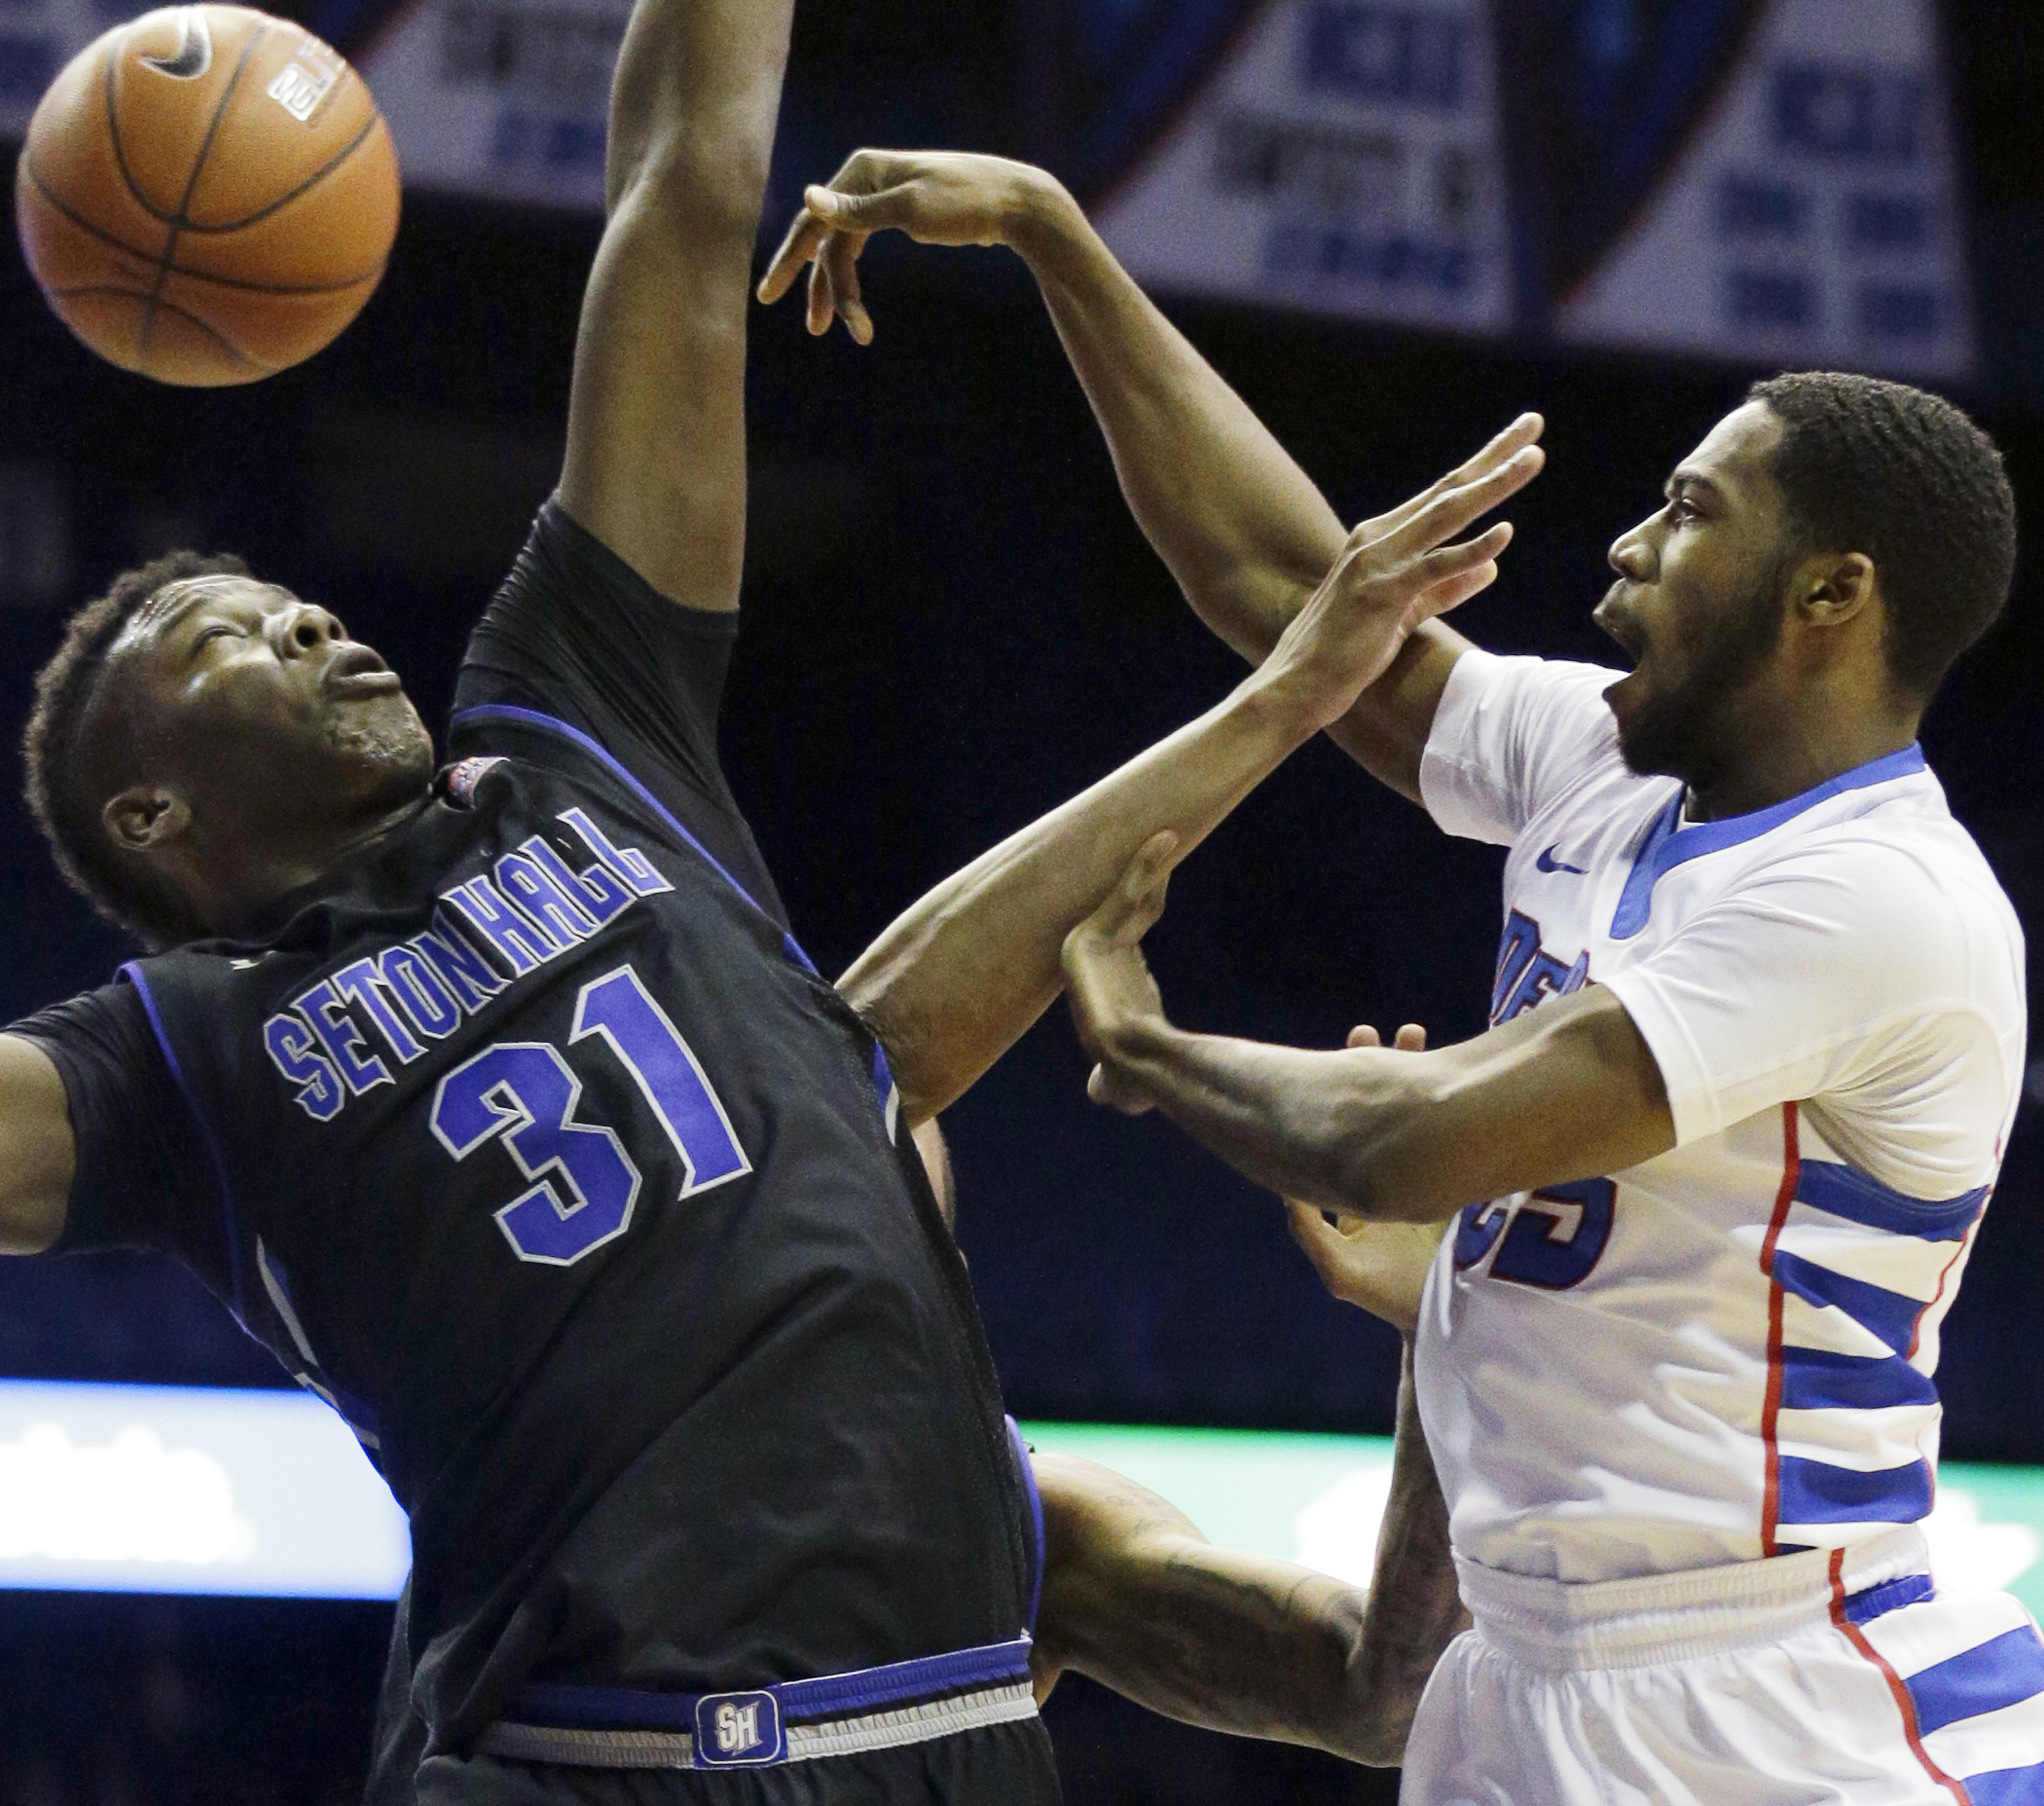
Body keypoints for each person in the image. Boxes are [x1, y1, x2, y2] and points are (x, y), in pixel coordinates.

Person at [0, 0, 1531, 1801]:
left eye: (279, 590)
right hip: (599, 1759)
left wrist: (1465, 1320)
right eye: (212, 632)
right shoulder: (184, 1054)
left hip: (933, 1754)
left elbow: (684, 184)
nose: (302, 613)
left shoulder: (572, 726)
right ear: (152, 817)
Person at [765, 151, 2044, 1803]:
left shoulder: (1881, 898)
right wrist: (1051, 240)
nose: (1628, 551)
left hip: (1782, 1700)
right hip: (1528, 1670)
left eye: (1689, 513)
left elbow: (1404, 1139)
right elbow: (1291, 603)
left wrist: (1143, 1039)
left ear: (1832, 595)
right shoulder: (1609, 762)